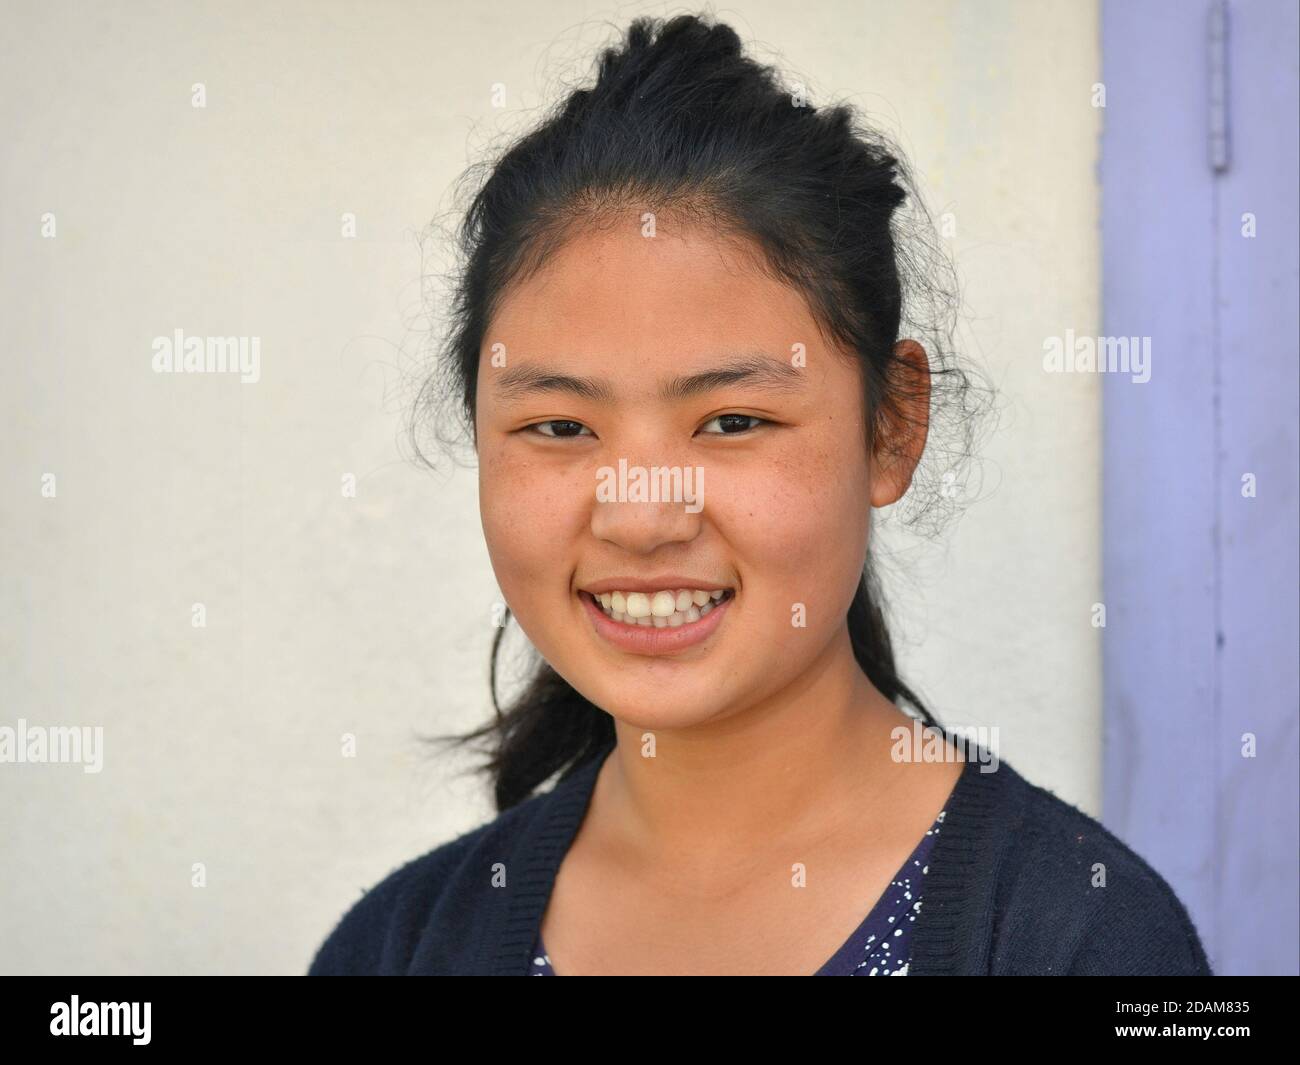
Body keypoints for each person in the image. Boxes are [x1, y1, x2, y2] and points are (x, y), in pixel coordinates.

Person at [308, 12, 1211, 976]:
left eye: (732, 421)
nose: (643, 514)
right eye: (562, 427)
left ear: (891, 425)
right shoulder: (398, 948)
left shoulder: (1082, 939)